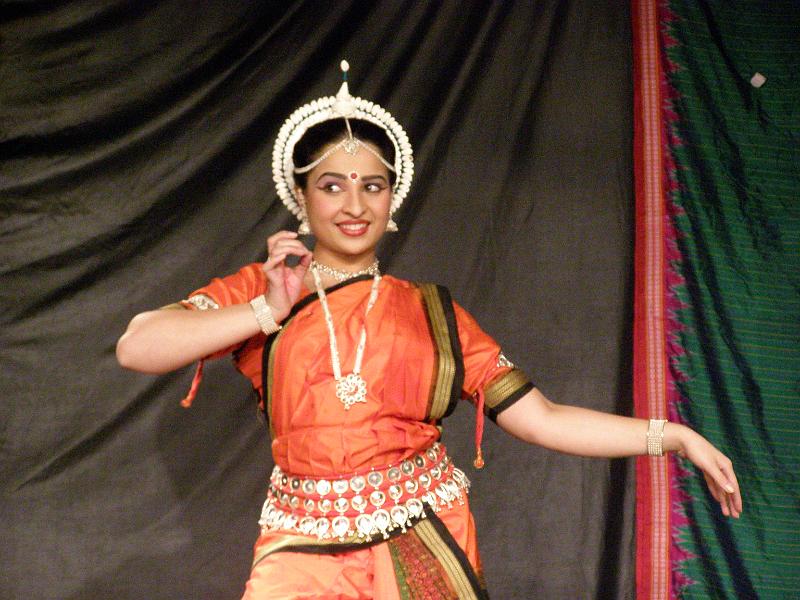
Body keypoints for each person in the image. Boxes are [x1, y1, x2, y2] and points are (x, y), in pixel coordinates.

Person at [116, 61, 742, 599]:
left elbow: (543, 419)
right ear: (301, 198)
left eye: (372, 187)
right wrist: (266, 312)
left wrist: (673, 436)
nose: (354, 206)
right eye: (332, 187)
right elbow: (138, 345)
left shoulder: (432, 313)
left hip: (421, 533)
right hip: (300, 540)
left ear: (392, 200)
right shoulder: (265, 288)